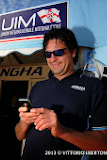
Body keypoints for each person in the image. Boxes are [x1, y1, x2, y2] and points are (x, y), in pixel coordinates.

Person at [15, 28, 107, 160]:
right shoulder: (38, 87)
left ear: (73, 52)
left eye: (58, 52)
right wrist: (24, 122)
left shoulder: (93, 86)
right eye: (48, 54)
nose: (53, 59)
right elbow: (19, 135)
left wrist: (62, 131)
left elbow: (103, 144)